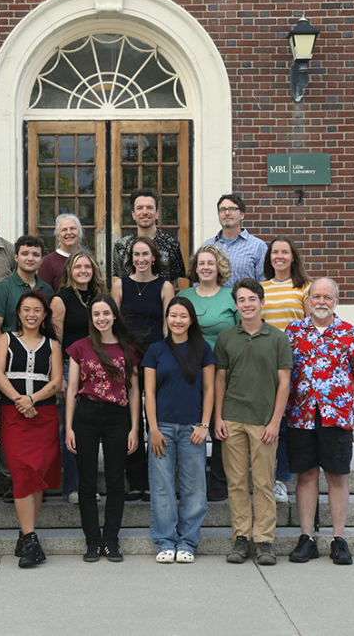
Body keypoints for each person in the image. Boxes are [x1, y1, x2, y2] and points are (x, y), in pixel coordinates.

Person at [284, 277, 354, 566]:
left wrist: (336, 395)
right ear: (308, 301)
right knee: (306, 475)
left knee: (336, 475)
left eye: (327, 297)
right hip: (300, 415)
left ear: (336, 301)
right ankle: (307, 538)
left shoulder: (350, 334)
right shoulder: (293, 332)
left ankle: (338, 539)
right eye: (316, 296)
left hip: (336, 417)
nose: (321, 302)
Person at [212, 278, 292, 567]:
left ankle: (265, 540)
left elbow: (285, 382)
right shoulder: (226, 338)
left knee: (263, 482)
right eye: (241, 300)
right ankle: (241, 537)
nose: (247, 304)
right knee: (235, 482)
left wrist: (275, 421)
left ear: (262, 302)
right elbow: (220, 378)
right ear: (236, 305)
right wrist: (218, 416)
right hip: (232, 418)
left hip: (263, 422)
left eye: (252, 299)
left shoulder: (278, 338)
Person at [65, 295, 141, 563]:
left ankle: (111, 539)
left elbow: (134, 390)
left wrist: (134, 427)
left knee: (115, 480)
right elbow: (72, 389)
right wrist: (69, 428)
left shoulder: (128, 349)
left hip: (117, 417)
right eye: (96, 314)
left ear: (114, 316)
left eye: (106, 313)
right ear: (91, 318)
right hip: (85, 414)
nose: (101, 318)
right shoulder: (79, 347)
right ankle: (92, 540)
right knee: (86, 482)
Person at [0, 290, 64, 568]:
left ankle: (26, 538)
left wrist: (32, 399)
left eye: (37, 310)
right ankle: (30, 537)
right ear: (18, 313)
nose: (31, 314)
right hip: (14, 415)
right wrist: (19, 401)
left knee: (37, 472)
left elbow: (56, 381)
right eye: (26, 309)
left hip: (43, 416)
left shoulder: (53, 345)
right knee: (22, 471)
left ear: (45, 315)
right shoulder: (6, 339)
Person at [143, 296, 214, 564]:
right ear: (166, 319)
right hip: (162, 428)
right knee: (161, 486)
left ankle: (187, 542)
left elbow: (209, 389)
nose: (178, 320)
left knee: (194, 487)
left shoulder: (203, 349)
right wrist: (153, 429)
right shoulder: (156, 350)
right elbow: (149, 392)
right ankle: (165, 541)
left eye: (183, 316)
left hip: (192, 429)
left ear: (191, 320)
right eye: (173, 315)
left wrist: (204, 425)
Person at [0, 235, 55, 502]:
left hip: (39, 367)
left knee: (38, 426)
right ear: (16, 257)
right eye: (25, 253)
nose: (30, 258)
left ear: (41, 258)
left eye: (35, 254)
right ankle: (9, 479)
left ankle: (36, 478)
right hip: (7, 366)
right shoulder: (3, 288)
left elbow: (50, 327)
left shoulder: (47, 289)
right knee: (6, 423)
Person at [111, 236, 173, 501]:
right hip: (127, 354)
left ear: (154, 257)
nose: (141, 259)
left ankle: (156, 479)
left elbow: (169, 324)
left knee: (156, 417)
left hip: (156, 355)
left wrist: (168, 357)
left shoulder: (165, 286)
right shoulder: (120, 285)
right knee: (130, 417)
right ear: (130, 259)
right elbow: (115, 323)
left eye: (145, 254)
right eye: (136, 254)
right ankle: (136, 482)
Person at [178, 244, 238, 502]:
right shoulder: (185, 296)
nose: (205, 267)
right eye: (201, 263)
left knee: (220, 426)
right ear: (195, 268)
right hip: (191, 371)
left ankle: (220, 481)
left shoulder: (232, 296)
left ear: (219, 267)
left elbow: (240, 333)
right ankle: (192, 479)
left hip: (226, 371)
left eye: (210, 263)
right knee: (192, 425)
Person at [49, 251, 108, 505]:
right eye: (78, 266)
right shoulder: (61, 300)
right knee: (71, 427)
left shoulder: (100, 299)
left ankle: (89, 484)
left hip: (98, 371)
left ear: (94, 269)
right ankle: (73, 486)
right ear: (69, 271)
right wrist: (58, 377)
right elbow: (55, 342)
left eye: (87, 266)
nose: (83, 270)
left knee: (93, 428)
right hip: (68, 369)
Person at [260, 236, 313, 503]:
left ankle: (281, 478)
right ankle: (266, 474)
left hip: (295, 362)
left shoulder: (304, 288)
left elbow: (310, 326)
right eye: (275, 252)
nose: (279, 256)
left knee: (285, 423)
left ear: (293, 257)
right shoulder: (262, 288)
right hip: (266, 361)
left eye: (285, 252)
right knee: (269, 419)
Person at [110, 189, 186, 282]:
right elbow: (120, 280)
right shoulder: (121, 246)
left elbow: (174, 282)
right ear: (133, 215)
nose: (145, 212)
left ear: (157, 213)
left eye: (150, 208)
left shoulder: (172, 245)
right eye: (139, 208)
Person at [204, 193, 269, 287]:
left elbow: (264, 283)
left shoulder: (258, 246)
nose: (227, 213)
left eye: (232, 209)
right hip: (212, 301)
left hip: (244, 301)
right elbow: (199, 282)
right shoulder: (208, 245)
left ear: (242, 215)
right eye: (223, 210)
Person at [38, 214, 84, 292]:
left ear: (79, 233)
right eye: (64, 230)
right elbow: (44, 295)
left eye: (73, 228)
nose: (69, 233)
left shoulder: (88, 260)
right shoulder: (47, 262)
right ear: (58, 236)